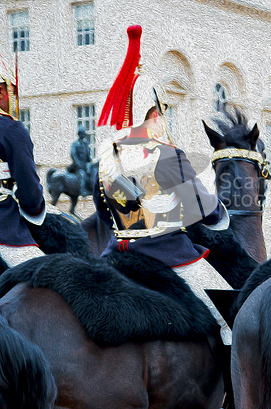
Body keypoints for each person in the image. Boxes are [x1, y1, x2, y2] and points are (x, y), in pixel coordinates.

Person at [94, 24, 233, 345]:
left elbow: (103, 211)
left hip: (115, 254)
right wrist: (219, 213)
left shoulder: (106, 156)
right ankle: (233, 395)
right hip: (168, 255)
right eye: (161, 111)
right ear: (152, 112)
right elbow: (202, 209)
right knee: (234, 314)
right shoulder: (166, 153)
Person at [0, 13, 46, 266]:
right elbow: (30, 194)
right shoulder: (9, 128)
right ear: (1, 91)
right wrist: (34, 209)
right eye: (12, 91)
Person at [68, 126, 92, 195]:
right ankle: (82, 190)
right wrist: (78, 163)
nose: (84, 135)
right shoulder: (75, 144)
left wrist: (90, 161)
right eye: (83, 134)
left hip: (86, 164)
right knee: (82, 174)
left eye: (84, 134)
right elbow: (73, 155)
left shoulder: (86, 144)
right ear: (79, 134)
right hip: (78, 165)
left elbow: (88, 155)